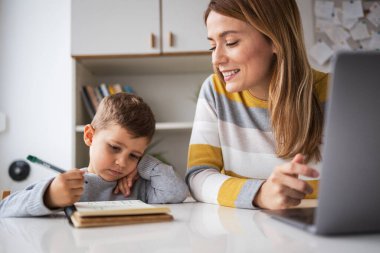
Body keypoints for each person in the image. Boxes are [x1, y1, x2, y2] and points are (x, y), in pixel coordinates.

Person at [186, 0, 328, 210]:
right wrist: (260, 193)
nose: (216, 59)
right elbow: (198, 176)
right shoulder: (215, 91)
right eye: (212, 46)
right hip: (243, 234)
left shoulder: (334, 91)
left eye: (231, 42)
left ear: (275, 40)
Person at [0, 93, 188, 217]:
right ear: (90, 136)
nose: (122, 163)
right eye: (114, 147)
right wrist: (49, 197)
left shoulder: (138, 188)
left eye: (134, 155)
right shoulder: (68, 186)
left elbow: (177, 192)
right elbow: (5, 209)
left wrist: (142, 164)